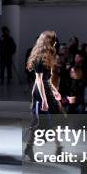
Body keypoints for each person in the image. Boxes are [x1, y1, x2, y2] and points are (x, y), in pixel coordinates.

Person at [24, 31, 62, 161]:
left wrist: (54, 90)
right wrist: (44, 100)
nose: (56, 42)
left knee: (55, 120)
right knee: (36, 123)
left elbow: (46, 79)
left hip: (47, 91)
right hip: (40, 94)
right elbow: (39, 80)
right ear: (48, 41)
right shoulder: (39, 57)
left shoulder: (49, 55)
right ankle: (29, 148)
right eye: (54, 40)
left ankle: (59, 148)